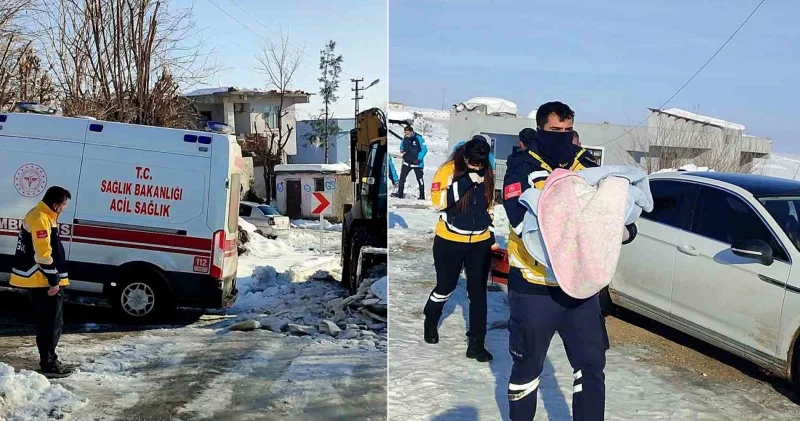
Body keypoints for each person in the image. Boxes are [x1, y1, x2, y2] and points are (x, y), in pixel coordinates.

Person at [502, 102, 636, 421]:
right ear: (539, 130)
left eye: (567, 130)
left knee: (591, 366)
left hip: (580, 289)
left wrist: (622, 227)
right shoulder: (522, 166)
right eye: (554, 131)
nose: (561, 136)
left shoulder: (585, 164)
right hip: (535, 289)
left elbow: (614, 206)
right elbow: (523, 222)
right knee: (527, 369)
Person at [424, 136, 495, 362]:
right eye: (473, 164)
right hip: (449, 241)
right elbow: (437, 201)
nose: (477, 168)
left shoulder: (487, 170)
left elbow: (488, 202)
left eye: (480, 165)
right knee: (446, 287)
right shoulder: (448, 170)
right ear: (465, 158)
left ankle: (476, 344)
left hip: (479, 243)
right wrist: (466, 181)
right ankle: (430, 321)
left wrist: (488, 224)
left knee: (478, 295)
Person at [10, 186, 75, 378]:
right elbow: (43, 254)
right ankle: (49, 365)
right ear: (55, 205)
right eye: (63, 205)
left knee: (51, 323)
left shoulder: (43, 214)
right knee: (50, 324)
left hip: (43, 278)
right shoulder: (40, 218)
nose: (63, 209)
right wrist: (54, 281)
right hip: (43, 280)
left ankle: (50, 359)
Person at [393, 125, 428, 200]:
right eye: (405, 133)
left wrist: (418, 158)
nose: (406, 135)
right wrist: (402, 150)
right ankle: (400, 193)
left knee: (420, 179)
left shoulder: (419, 138)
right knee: (402, 178)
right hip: (407, 162)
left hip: (417, 163)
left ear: (412, 132)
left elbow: (424, 149)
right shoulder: (404, 138)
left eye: (408, 133)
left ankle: (422, 195)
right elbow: (402, 146)